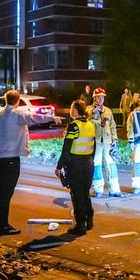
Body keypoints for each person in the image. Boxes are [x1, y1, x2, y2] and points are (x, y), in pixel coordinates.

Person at [0, 89, 42, 235]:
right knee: (6, 193)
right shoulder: (16, 114)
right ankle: (2, 225)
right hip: (10, 157)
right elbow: (34, 118)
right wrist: (53, 118)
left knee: (1, 191)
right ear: (18, 101)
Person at [56, 100, 97, 235]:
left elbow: (66, 148)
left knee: (77, 195)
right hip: (88, 163)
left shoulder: (74, 126)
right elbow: (94, 146)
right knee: (85, 193)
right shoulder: (90, 125)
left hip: (76, 164)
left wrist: (59, 166)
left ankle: (80, 226)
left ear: (75, 111)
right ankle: (89, 221)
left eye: (71, 109)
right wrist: (90, 160)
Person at [89, 87, 120, 197]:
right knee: (96, 165)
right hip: (96, 141)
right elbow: (88, 124)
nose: (101, 99)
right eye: (98, 97)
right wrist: (93, 115)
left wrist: (114, 139)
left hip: (107, 141)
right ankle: (98, 190)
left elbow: (112, 126)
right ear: (94, 98)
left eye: (102, 97)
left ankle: (114, 189)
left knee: (111, 164)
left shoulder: (108, 111)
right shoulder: (89, 110)